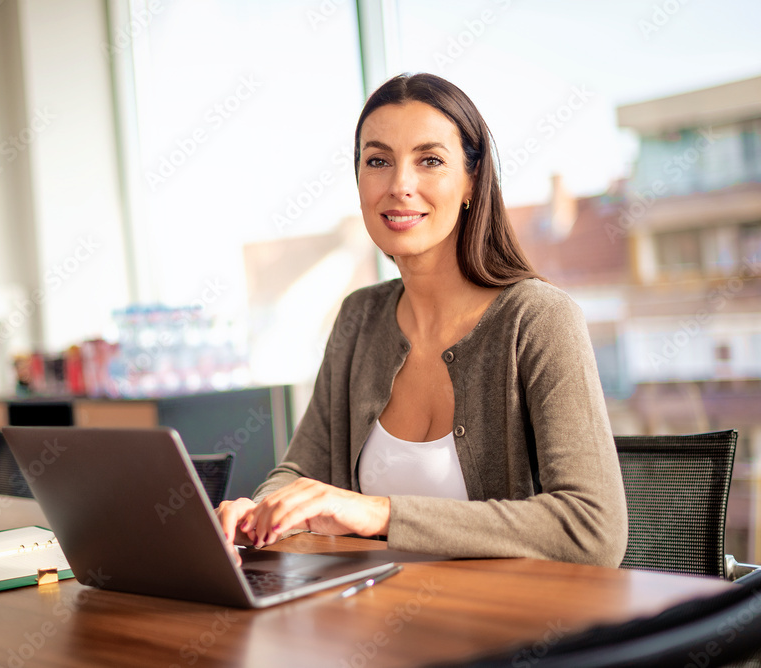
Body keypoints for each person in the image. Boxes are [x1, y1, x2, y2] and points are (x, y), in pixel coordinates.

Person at [216, 72, 628, 568]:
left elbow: (593, 530)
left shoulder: (538, 319)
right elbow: (304, 468)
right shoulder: (359, 317)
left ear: (471, 181)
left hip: (516, 632)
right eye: (378, 161)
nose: (399, 185)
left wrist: (380, 515)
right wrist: (262, 510)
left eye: (429, 160)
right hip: (374, 621)